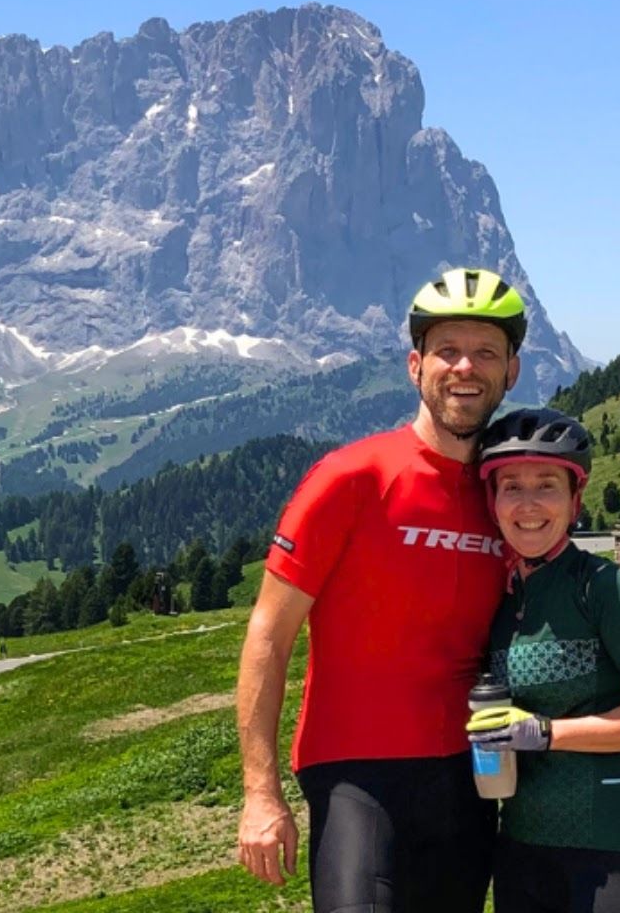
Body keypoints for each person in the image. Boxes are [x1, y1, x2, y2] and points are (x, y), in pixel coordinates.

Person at [236, 266, 527, 912]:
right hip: (353, 769)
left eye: (485, 353)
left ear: (511, 371)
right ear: (415, 365)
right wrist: (260, 793)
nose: (465, 368)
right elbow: (269, 632)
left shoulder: (508, 496)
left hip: (468, 774)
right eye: (448, 350)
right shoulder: (350, 478)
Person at [467, 409, 620, 913]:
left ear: (575, 500)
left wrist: (546, 733)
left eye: (546, 485)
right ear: (493, 502)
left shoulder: (609, 589)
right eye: (511, 487)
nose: (528, 505)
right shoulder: (503, 604)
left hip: (613, 848)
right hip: (523, 847)